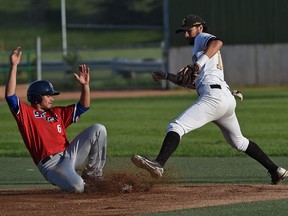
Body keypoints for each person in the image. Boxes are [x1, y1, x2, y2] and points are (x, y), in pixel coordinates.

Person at [131, 15, 288, 184]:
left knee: (176, 126)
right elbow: (193, 83)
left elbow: (218, 42)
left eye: (188, 30)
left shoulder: (201, 38)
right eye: (183, 32)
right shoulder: (200, 52)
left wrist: (198, 64)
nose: (186, 35)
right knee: (239, 142)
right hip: (225, 98)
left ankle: (158, 164)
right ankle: (276, 170)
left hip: (214, 97)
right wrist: (167, 76)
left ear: (200, 27)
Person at [5, 46, 107, 193]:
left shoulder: (56, 113)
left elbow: (83, 107)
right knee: (77, 187)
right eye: (49, 95)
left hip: (69, 154)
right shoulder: (26, 114)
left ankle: (93, 176)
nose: (52, 98)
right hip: (52, 165)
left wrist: (85, 86)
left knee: (99, 129)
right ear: (37, 97)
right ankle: (81, 183)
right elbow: (10, 96)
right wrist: (14, 66)